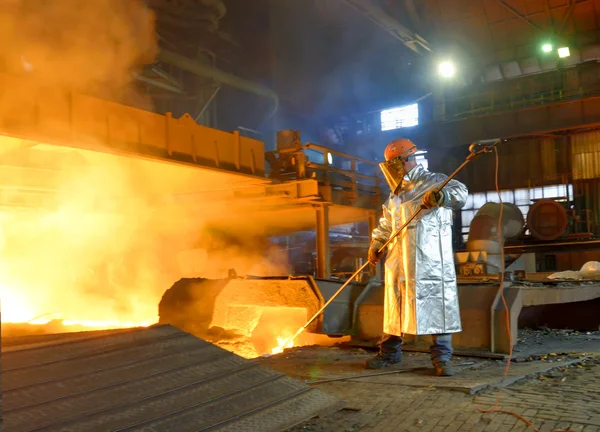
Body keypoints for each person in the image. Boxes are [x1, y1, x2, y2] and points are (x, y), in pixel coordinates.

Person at [366, 138, 468, 377]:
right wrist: (377, 242)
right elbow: (386, 224)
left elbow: (460, 193)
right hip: (398, 262)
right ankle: (389, 354)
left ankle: (442, 359)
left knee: (438, 306)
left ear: (405, 160)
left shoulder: (435, 181)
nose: (393, 170)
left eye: (395, 164)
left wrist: (441, 197)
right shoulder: (396, 194)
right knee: (395, 309)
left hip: (430, 262)